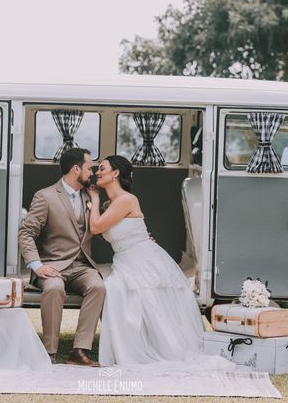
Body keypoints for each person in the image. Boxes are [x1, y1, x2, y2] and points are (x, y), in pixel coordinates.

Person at [89, 155, 234, 369]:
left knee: (147, 300)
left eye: (101, 168)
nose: (97, 172)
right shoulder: (111, 204)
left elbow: (96, 227)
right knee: (120, 291)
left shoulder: (127, 200)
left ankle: (156, 347)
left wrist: (93, 199)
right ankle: (139, 344)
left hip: (143, 259)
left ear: (116, 173)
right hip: (125, 260)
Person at [18, 148, 105, 367]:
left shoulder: (90, 196)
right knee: (55, 288)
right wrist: (37, 266)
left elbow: (102, 226)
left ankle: (80, 351)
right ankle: (49, 352)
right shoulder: (45, 196)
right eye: (89, 167)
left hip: (82, 265)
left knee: (98, 286)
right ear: (76, 169)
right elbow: (26, 233)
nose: (92, 172)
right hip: (52, 265)